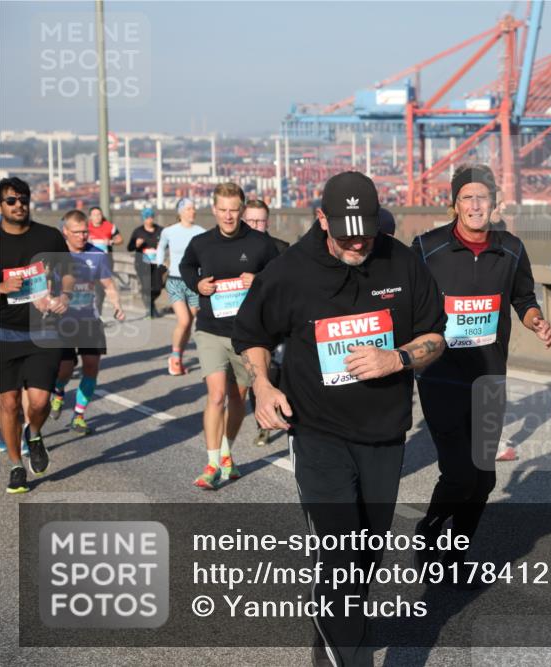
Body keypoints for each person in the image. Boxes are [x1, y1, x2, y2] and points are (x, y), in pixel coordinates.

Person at [233, 171, 445, 667]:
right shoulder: (289, 271)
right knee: (341, 556)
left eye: (365, 231)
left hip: (384, 435)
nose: (357, 242)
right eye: (345, 231)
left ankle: (328, 642)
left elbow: (436, 335)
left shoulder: (401, 261)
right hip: (317, 433)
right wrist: (263, 385)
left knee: (365, 557)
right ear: (321, 218)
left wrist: (400, 358)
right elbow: (252, 335)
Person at [411, 164, 551, 577]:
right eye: (467, 198)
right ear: (454, 204)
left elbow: (523, 297)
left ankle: (456, 561)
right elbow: (403, 298)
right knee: (458, 475)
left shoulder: (510, 247)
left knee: (485, 478)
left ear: (495, 203)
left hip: (489, 376)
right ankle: (430, 527)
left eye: (483, 198)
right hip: (440, 376)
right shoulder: (426, 247)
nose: (475, 206)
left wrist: (535, 319)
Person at [180, 183, 279, 489]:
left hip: (247, 333)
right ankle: (211, 464)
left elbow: (280, 277)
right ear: (214, 210)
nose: (228, 216)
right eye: (222, 210)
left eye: (233, 210)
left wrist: (259, 280)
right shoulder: (201, 242)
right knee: (217, 395)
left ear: (242, 209)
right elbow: (186, 266)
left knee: (238, 398)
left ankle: (226, 454)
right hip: (210, 330)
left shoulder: (261, 243)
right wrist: (198, 285)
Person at [0, 177, 73, 493]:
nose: (19, 205)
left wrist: (66, 295)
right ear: (1, 206)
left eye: (23, 198)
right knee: (9, 404)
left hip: (45, 330)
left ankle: (36, 432)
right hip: (4, 332)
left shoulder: (49, 236)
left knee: (40, 402)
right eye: (11, 200)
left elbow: (68, 271)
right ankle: (17, 466)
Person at [50, 210, 126, 434]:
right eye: (77, 232)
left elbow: (109, 285)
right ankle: (59, 390)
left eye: (86, 232)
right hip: (62, 321)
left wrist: (117, 305)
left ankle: (79, 415)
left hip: (89, 320)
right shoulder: (56, 255)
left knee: (92, 366)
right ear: (66, 232)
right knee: (64, 369)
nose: (83, 236)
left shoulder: (97, 254)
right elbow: (44, 284)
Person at [241, 199, 288, 447]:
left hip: (275, 321)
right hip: (243, 323)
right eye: (250, 220)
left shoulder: (281, 249)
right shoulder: (232, 249)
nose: (256, 225)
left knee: (276, 371)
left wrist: (258, 280)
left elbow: (290, 284)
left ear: (267, 221)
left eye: (260, 220)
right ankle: (263, 424)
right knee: (256, 376)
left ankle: (278, 411)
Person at [155, 198, 205, 375]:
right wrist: (159, 264)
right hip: (175, 280)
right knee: (183, 320)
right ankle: (175, 357)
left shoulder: (201, 232)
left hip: (193, 281)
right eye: (189, 209)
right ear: (181, 212)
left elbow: (207, 254)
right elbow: (160, 247)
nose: (193, 212)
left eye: (194, 208)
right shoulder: (169, 231)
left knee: (189, 322)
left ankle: (179, 356)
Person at [126, 207, 164, 318]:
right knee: (147, 287)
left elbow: (167, 244)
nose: (149, 220)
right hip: (142, 264)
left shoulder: (160, 230)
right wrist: (136, 245)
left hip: (156, 264)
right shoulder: (138, 232)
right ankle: (150, 309)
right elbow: (129, 247)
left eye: (151, 217)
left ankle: (151, 305)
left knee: (158, 287)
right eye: (147, 218)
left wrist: (161, 246)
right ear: (143, 219)